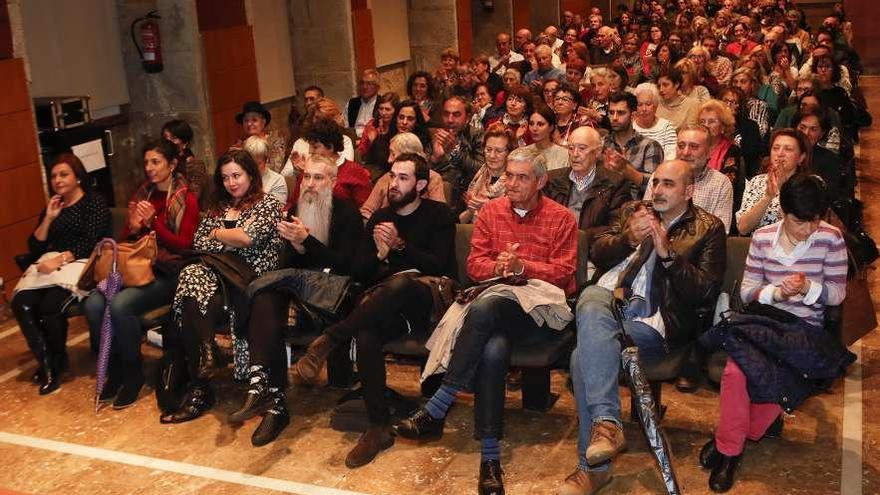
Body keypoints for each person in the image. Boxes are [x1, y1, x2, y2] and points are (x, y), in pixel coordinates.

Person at [395, 147, 578, 495]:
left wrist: (525, 269)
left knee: (484, 310)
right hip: (494, 308)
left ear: (540, 181)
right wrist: (498, 268)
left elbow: (566, 276)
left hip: (538, 313)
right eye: (508, 175)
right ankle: (489, 458)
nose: (511, 183)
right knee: (492, 347)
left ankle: (439, 403)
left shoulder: (562, 218)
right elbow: (474, 266)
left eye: (521, 177)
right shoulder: (491, 212)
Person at [558, 159, 726, 495]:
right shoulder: (634, 212)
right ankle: (607, 428)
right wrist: (626, 238)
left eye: (668, 184)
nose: (658, 190)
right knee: (592, 294)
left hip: (656, 323)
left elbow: (705, 292)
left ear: (689, 191)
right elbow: (596, 250)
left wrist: (668, 256)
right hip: (608, 308)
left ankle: (593, 466)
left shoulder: (708, 228)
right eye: (656, 183)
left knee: (581, 358)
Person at [293, 153, 457, 468]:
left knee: (401, 285)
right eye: (392, 176)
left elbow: (443, 266)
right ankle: (378, 426)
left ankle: (331, 339)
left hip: (428, 300)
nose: (393, 184)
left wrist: (400, 247)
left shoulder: (439, 215)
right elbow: (360, 273)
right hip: (385, 304)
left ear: (421, 185)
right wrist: (380, 256)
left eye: (403, 178)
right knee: (367, 335)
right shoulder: (381, 217)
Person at [699, 174, 850, 493]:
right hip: (764, 322)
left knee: (776, 390)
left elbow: (837, 294)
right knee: (735, 373)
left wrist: (809, 288)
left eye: (814, 220)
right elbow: (750, 291)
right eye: (799, 221)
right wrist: (778, 294)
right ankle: (730, 453)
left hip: (803, 332)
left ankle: (727, 441)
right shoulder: (764, 237)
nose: (808, 229)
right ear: (783, 212)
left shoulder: (831, 238)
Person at [228, 155, 362, 446]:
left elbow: (350, 267)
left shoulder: (347, 212)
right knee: (266, 296)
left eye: (319, 178)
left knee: (272, 294)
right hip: (300, 292)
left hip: (336, 298)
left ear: (333, 182)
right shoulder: (294, 212)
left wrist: (308, 241)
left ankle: (269, 394)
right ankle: (269, 395)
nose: (310, 185)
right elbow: (285, 265)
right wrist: (297, 247)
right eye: (306, 178)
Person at [161, 150, 282, 424]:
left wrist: (218, 233)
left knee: (192, 299)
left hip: (250, 280)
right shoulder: (216, 207)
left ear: (251, 175)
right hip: (216, 277)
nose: (231, 183)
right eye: (225, 177)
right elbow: (199, 243)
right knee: (191, 277)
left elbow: (247, 238)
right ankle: (206, 356)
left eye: (237, 175)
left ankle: (200, 383)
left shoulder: (268, 204)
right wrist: (229, 238)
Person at [83, 140, 199, 408]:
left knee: (121, 305)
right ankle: (115, 370)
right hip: (136, 268)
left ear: (172, 165)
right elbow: (127, 243)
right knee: (93, 304)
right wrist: (135, 226)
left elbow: (185, 245)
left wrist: (153, 223)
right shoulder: (143, 193)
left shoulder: (185, 197)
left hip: (168, 272)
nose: (149, 168)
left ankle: (133, 373)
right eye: (146, 162)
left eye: (156, 162)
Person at [13, 154, 111, 395]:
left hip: (80, 265)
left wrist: (60, 258)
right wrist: (48, 218)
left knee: (50, 305)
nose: (57, 180)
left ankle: (57, 360)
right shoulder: (54, 205)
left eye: (64, 174)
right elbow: (34, 247)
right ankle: (48, 363)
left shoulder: (93, 202)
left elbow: (93, 241)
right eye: (54, 176)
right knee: (21, 302)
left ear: (78, 177)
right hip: (50, 267)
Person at [546, 126, 631, 238]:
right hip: (553, 243)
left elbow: (615, 229)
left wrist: (579, 237)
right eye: (571, 148)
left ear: (597, 152)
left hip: (591, 249)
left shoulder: (615, 183)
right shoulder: (552, 179)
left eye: (582, 148)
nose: (575, 154)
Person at [647, 125, 734, 232]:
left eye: (693, 147)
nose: (685, 152)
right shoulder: (658, 177)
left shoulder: (721, 183)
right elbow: (645, 219)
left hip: (700, 246)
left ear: (709, 152)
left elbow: (721, 233)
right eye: (681, 146)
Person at [736, 129, 810, 235]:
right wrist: (768, 197)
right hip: (760, 246)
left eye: (788, 149)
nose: (780, 154)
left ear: (801, 158)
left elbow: (804, 226)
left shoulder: (809, 184)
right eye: (775, 148)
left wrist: (783, 190)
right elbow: (743, 228)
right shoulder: (757, 182)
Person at [360, 132, 446, 221]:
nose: (389, 160)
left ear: (408, 156)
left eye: (393, 154)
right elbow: (366, 210)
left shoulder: (433, 178)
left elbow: (440, 215)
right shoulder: (387, 177)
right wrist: (378, 226)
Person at [291, 118, 372, 208]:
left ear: (330, 147)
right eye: (309, 146)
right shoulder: (308, 170)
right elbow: (293, 203)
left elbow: (365, 209)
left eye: (315, 147)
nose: (310, 151)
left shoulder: (354, 171)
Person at [602, 92, 664, 198]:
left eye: (621, 113)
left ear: (633, 116)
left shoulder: (650, 146)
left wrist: (625, 170)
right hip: (605, 204)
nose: (614, 118)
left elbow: (654, 186)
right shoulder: (602, 143)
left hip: (636, 207)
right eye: (611, 112)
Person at [430, 96, 485, 213]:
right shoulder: (436, 135)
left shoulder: (477, 135)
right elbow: (421, 172)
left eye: (456, 115)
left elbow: (482, 169)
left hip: (467, 196)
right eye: (446, 114)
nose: (450, 120)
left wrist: (454, 152)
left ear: (467, 118)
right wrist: (434, 158)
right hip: (436, 194)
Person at [460, 124, 514, 224]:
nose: (492, 156)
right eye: (488, 150)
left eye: (499, 151)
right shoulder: (480, 175)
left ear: (509, 152)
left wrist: (491, 207)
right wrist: (471, 211)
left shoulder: (515, 182)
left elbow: (516, 223)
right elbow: (461, 222)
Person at [232, 101, 287, 175]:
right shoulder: (242, 145)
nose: (249, 124)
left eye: (254, 120)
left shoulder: (275, 140)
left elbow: (275, 168)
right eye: (246, 120)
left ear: (263, 122)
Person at [697, 99, 742, 189]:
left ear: (723, 126)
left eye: (711, 121)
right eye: (702, 121)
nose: (706, 125)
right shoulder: (693, 146)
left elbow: (728, 185)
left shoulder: (732, 150)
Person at [633, 83, 678, 160]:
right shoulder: (630, 127)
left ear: (655, 106)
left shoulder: (666, 127)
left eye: (648, 104)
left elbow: (672, 157)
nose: (644, 109)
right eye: (639, 104)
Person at [523, 105, 570, 171]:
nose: (534, 128)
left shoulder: (564, 154)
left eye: (540, 124)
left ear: (551, 127)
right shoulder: (523, 153)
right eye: (531, 124)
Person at [243, 136, 288, 204]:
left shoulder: (277, 181)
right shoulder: (238, 177)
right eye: (249, 163)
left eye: (258, 163)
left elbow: (274, 211)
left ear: (266, 160)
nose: (252, 167)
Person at [357, 92, 399, 161]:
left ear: (395, 110)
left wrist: (377, 139)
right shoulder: (372, 124)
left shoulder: (399, 126)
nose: (383, 113)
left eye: (387, 109)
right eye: (381, 108)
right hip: (372, 161)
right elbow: (362, 151)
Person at [344, 69, 381, 138]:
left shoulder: (382, 104)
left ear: (377, 87)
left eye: (369, 83)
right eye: (362, 83)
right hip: (353, 140)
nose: (364, 87)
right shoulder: (352, 103)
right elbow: (346, 128)